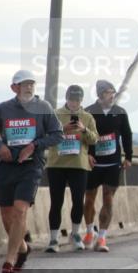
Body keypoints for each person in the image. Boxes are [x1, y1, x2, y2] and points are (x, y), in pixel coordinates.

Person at [0, 71, 62, 273]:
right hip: (6, 166)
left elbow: (57, 134)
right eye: (24, 84)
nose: (29, 88)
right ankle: (22, 248)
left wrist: (35, 145)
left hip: (31, 165)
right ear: (14, 88)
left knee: (20, 210)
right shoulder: (3, 109)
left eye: (32, 84)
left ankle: (9, 260)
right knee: (7, 214)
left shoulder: (43, 108)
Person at [44, 85, 98, 252]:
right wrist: (63, 129)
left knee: (78, 201)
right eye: (72, 100)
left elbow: (94, 139)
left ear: (82, 101)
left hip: (78, 165)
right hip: (57, 164)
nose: (74, 103)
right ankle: (53, 239)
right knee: (56, 201)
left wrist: (84, 129)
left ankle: (75, 234)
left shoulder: (87, 117)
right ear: (66, 99)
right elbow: (46, 136)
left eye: (78, 100)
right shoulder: (56, 114)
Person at [83, 79, 133, 250]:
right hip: (93, 163)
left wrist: (129, 157)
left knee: (108, 198)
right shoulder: (89, 112)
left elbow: (127, 135)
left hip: (112, 163)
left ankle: (102, 237)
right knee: (89, 199)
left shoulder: (120, 112)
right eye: (107, 92)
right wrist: (87, 154)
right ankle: (90, 231)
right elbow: (82, 136)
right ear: (99, 94)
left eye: (113, 92)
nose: (111, 96)